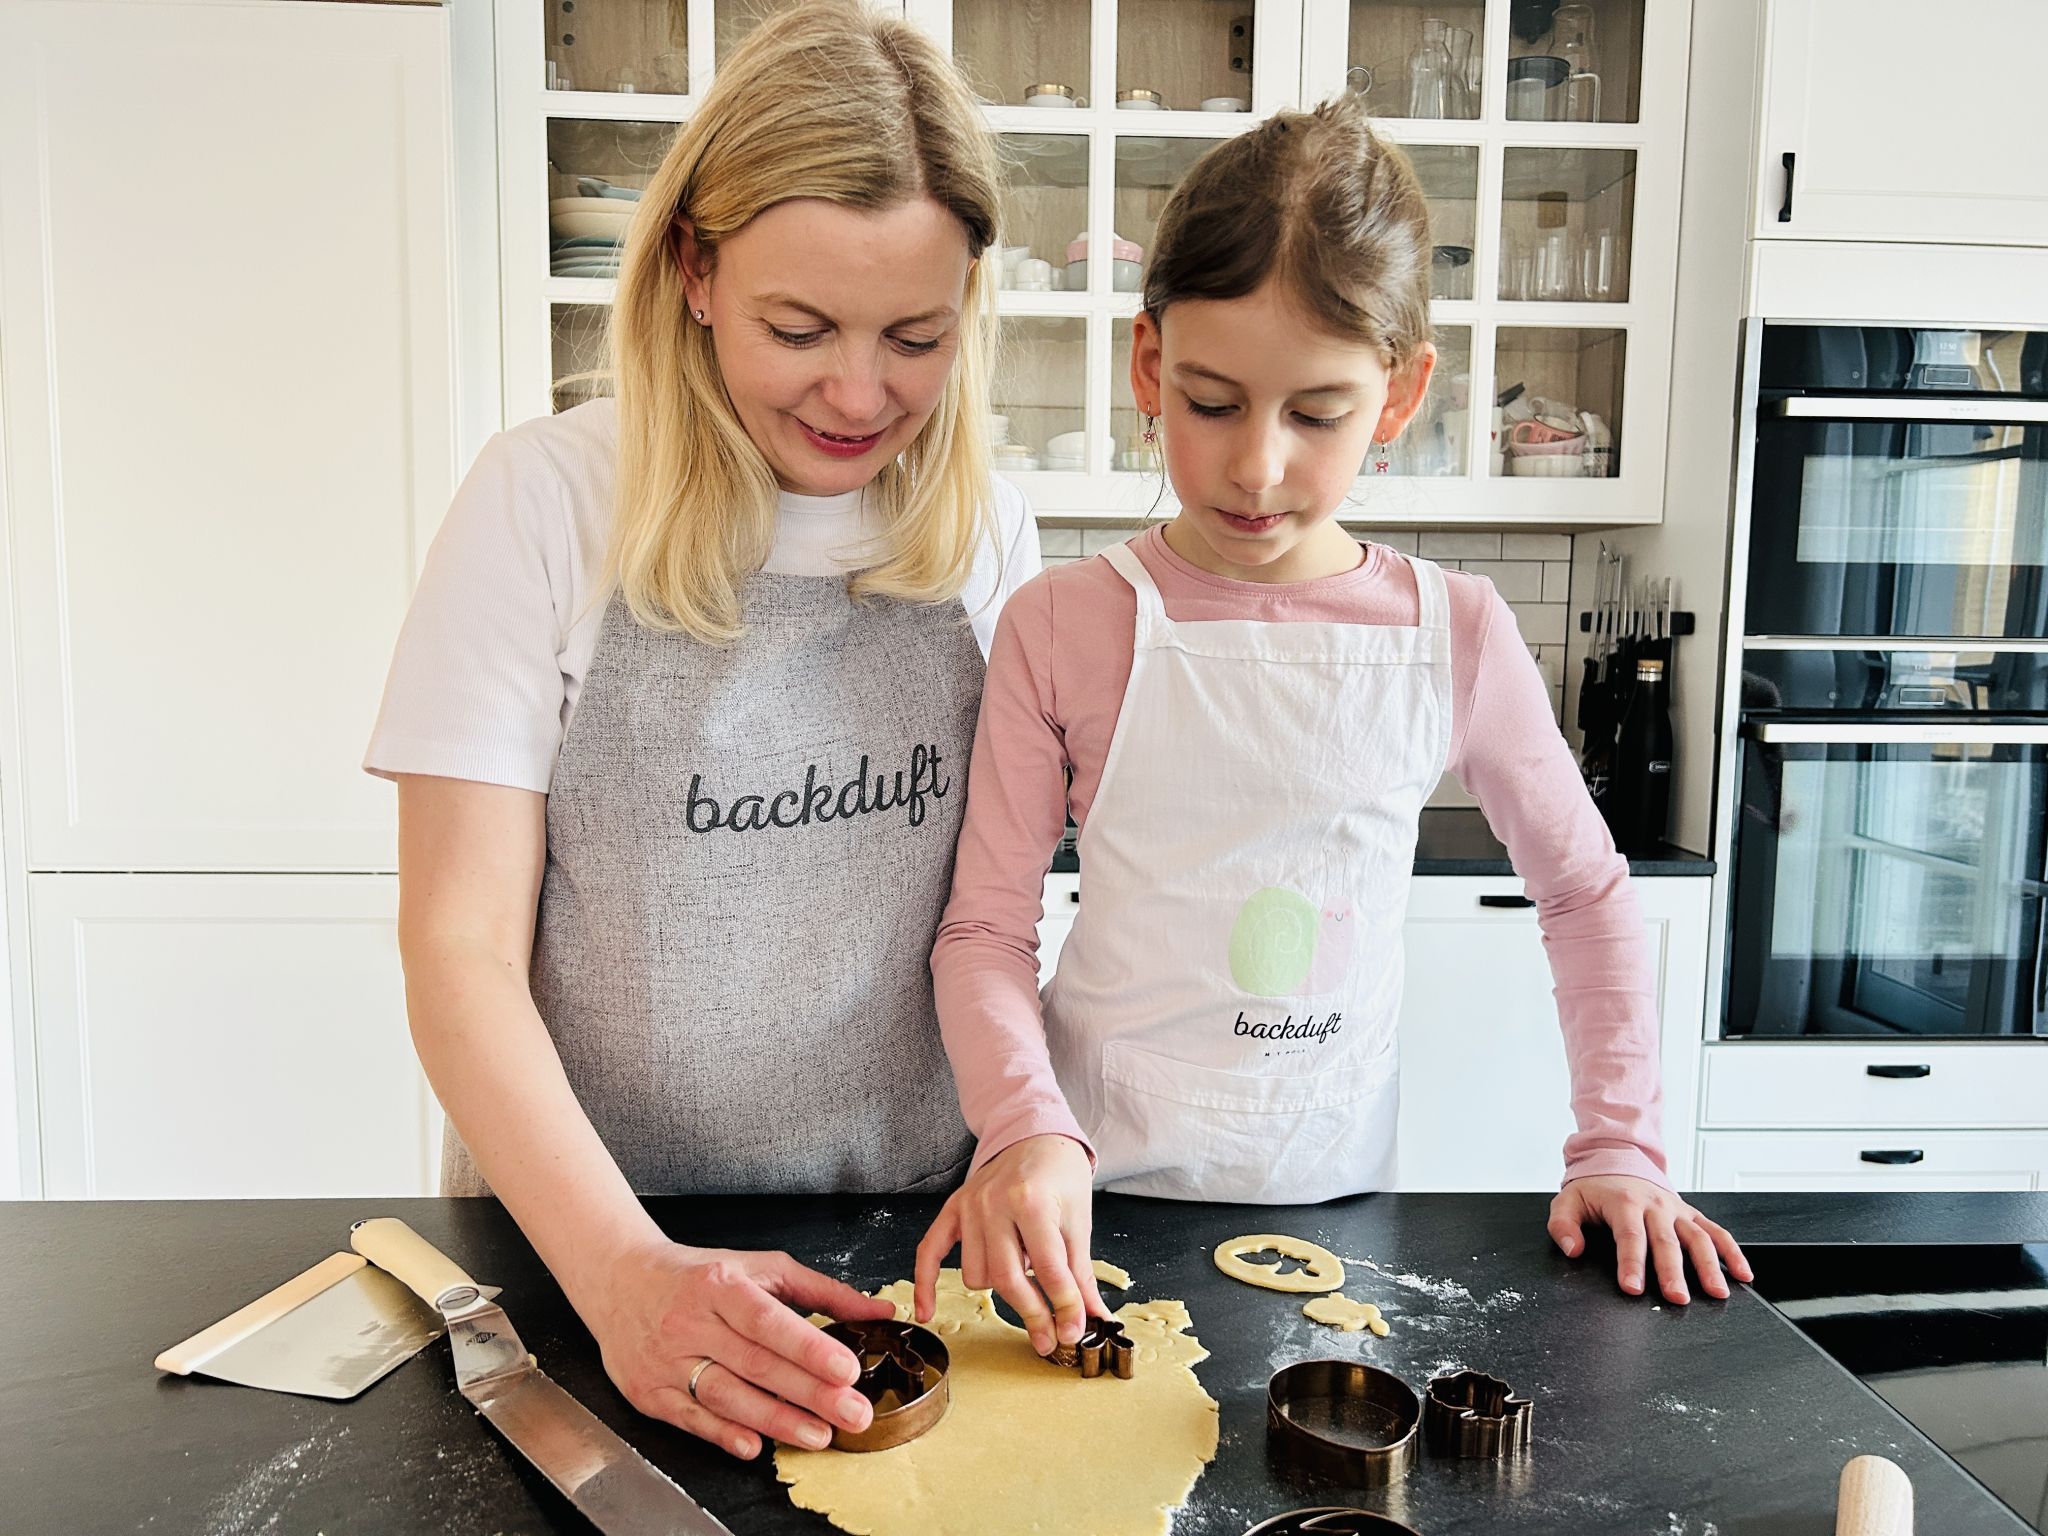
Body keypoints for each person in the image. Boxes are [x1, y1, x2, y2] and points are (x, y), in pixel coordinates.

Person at [913, 94, 1750, 1359]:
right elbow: (982, 928)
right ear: (1147, 366)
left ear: (1401, 394)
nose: (1256, 466)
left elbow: (1582, 893)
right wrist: (1022, 1126)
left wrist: (1618, 1144)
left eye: (1315, 414)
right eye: (1209, 401)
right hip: (1081, 1201)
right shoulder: (1062, 623)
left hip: (1338, 1201)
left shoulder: (1452, 633)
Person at [364, 1, 1037, 1461]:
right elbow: (457, 947)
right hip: (589, 1251)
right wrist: (618, 1274)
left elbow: (1006, 913)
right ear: (694, 271)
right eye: (802, 328)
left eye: (916, 336)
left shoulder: (985, 524)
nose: (861, 394)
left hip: (896, 1258)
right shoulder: (543, 504)